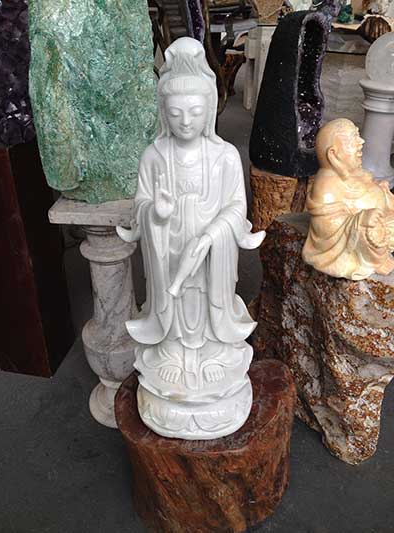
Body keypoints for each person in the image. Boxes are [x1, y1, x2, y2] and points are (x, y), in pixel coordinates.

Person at [117, 37, 265, 439]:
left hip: (210, 252)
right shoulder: (153, 156)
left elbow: (236, 208)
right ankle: (174, 353)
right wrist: (158, 212)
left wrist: (212, 234)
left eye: (195, 112)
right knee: (173, 302)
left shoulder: (224, 156)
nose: (185, 121)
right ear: (163, 112)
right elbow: (141, 205)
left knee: (206, 301)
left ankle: (210, 354)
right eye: (176, 112)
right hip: (168, 250)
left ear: (210, 110)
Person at [303, 118, 394, 280]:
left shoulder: (354, 171)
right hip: (363, 234)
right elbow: (324, 228)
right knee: (369, 231)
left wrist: (381, 191)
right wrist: (360, 220)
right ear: (333, 154)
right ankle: (376, 260)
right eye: (353, 139)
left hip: (382, 219)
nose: (361, 142)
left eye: (358, 135)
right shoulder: (326, 185)